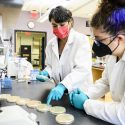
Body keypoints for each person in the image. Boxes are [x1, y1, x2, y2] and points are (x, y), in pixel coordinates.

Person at [69, 0, 125, 125]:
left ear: (119, 39)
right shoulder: (113, 54)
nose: (96, 45)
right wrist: (86, 94)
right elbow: (105, 82)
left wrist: (85, 104)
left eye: (100, 40)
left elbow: (122, 114)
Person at [36, 6, 93, 105]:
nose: (58, 28)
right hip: (59, 93)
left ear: (70, 22)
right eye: (54, 25)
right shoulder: (50, 44)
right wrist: (46, 73)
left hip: (78, 93)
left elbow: (82, 69)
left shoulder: (81, 40)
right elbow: (50, 65)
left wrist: (63, 85)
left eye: (62, 24)